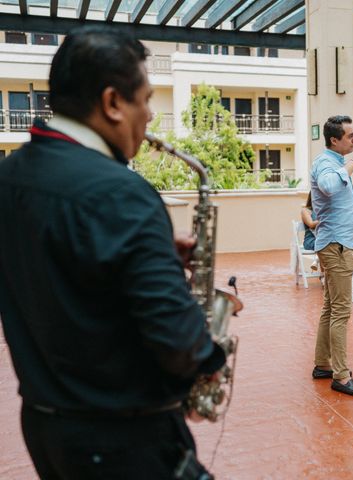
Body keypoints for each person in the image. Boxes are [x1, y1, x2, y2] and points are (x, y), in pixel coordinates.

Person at [0, 26, 226, 479]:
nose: (148, 117)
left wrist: (150, 254)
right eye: (145, 99)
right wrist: (209, 362)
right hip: (125, 441)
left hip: (47, 428)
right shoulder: (123, 194)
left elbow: (60, 268)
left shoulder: (10, 176)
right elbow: (178, 341)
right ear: (111, 103)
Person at [310, 115, 353, 397]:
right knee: (341, 311)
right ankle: (341, 376)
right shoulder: (326, 163)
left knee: (331, 307)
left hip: (338, 243)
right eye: (349, 135)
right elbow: (330, 187)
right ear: (335, 140)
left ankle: (323, 364)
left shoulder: (334, 163)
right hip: (336, 245)